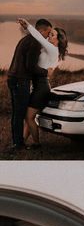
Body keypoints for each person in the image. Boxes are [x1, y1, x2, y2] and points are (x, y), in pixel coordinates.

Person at [17, 18, 68, 149]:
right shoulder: (52, 49)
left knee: (28, 117)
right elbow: (40, 37)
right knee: (30, 117)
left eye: (52, 34)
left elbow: (38, 37)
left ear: (58, 39)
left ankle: (36, 144)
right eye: (49, 33)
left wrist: (27, 25)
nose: (49, 36)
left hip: (41, 87)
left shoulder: (52, 49)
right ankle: (22, 141)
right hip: (39, 85)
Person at [7, 18, 52, 151]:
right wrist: (45, 72)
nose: (47, 36)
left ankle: (17, 142)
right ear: (41, 30)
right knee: (20, 114)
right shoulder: (35, 42)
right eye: (47, 33)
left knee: (17, 113)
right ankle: (18, 144)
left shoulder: (26, 39)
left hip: (13, 78)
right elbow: (30, 66)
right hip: (21, 81)